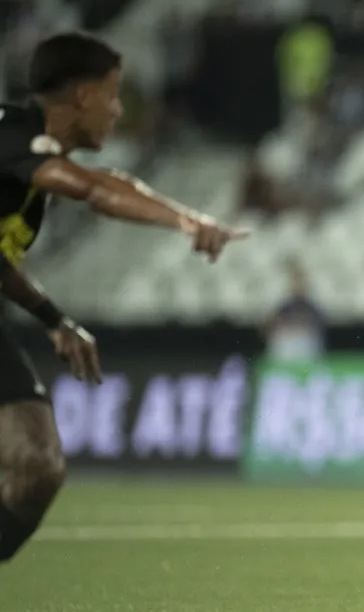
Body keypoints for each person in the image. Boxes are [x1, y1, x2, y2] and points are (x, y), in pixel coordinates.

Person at [0, 32, 244, 565]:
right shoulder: (13, 134)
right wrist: (186, 221)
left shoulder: (25, 167)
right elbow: (92, 187)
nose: (117, 109)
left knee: (38, 467)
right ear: (82, 95)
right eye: (112, 94)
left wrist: (53, 317)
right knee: (33, 462)